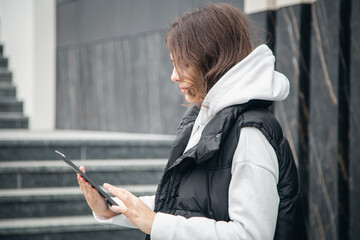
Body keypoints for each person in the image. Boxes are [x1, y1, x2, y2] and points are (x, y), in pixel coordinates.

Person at [78, 3, 305, 240]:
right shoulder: (205, 119)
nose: (174, 76)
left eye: (183, 63)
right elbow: (182, 202)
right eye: (173, 63)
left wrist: (157, 224)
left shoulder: (249, 133)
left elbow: (249, 235)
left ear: (213, 59)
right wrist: (112, 209)